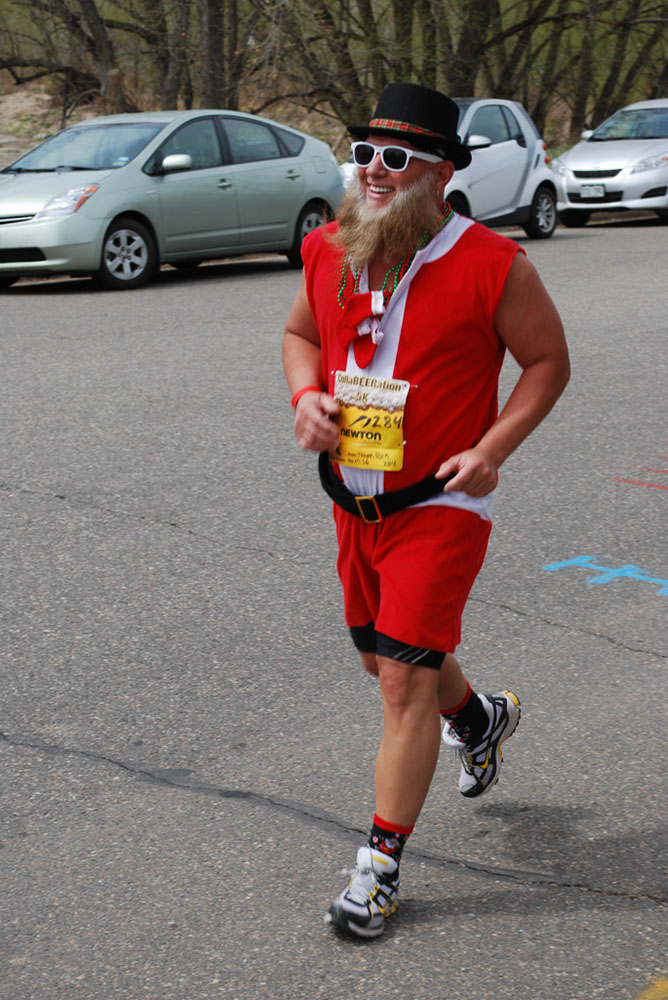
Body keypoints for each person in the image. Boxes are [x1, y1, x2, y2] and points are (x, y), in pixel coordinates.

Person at [282, 81, 570, 939]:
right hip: (353, 496)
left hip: (443, 499)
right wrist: (305, 396)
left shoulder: (494, 264)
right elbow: (301, 336)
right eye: (365, 153)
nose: (374, 170)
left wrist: (493, 448)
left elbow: (548, 362)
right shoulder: (329, 249)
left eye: (397, 157)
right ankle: (477, 719)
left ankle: (377, 870)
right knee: (383, 662)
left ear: (441, 173)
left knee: (404, 681)